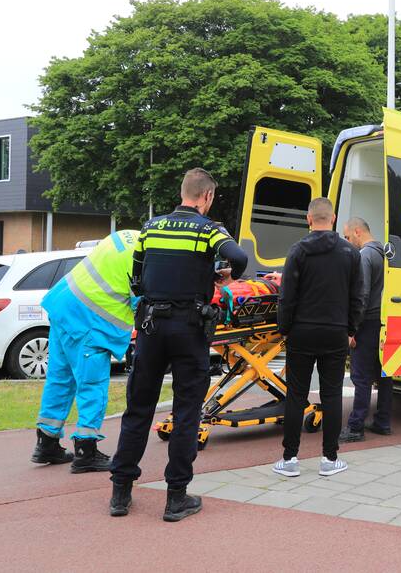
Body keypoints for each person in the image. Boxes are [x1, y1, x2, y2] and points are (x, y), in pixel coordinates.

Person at [108, 168, 248, 522]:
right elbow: (239, 257)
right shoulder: (210, 230)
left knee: (138, 409)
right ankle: (176, 498)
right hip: (189, 329)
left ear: (184, 192)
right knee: (187, 411)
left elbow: (137, 279)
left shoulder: (150, 228)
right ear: (207, 196)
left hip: (152, 327)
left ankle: (120, 493)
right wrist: (226, 275)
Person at [30, 229, 139, 473]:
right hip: (89, 322)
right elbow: (142, 302)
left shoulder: (126, 236)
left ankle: (46, 443)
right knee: (92, 384)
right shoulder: (145, 256)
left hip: (64, 306)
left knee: (60, 379)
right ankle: (86, 450)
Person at [272, 198, 363, 478]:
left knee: (296, 394)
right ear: (333, 218)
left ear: (308, 219)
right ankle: (329, 458)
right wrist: (351, 329)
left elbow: (287, 296)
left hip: (302, 330)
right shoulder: (349, 252)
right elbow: (357, 297)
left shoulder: (298, 251)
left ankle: (289, 459)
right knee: (332, 393)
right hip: (335, 331)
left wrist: (284, 328)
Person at [339, 217, 390, 443]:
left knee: (360, 376)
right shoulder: (384, 254)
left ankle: (355, 427)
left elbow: (362, 295)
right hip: (383, 320)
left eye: (348, 237)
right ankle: (383, 421)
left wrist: (353, 330)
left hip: (367, 322)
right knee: (384, 374)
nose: (348, 242)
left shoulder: (365, 256)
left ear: (358, 232)